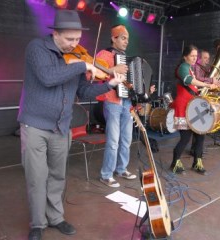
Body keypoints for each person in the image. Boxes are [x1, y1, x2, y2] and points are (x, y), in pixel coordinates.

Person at [17, 10, 125, 240]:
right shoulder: (37, 49)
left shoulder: (75, 58)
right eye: (69, 40)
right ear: (55, 34)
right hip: (34, 125)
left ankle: (55, 217)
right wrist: (81, 65)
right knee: (37, 178)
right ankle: (38, 223)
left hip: (61, 127)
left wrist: (110, 84)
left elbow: (83, 90)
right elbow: (48, 78)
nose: (74, 45)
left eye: (78, 40)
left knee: (58, 176)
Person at [96, 25, 137, 188]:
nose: (126, 41)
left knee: (126, 139)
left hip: (126, 102)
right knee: (113, 140)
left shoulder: (126, 57)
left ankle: (121, 169)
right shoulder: (104, 54)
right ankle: (106, 174)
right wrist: (114, 69)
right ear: (113, 38)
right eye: (123, 38)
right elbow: (94, 73)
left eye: (127, 38)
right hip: (112, 101)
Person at [170, 45, 218, 175]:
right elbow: (188, 80)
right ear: (185, 56)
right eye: (192, 56)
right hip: (184, 106)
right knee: (186, 137)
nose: (194, 58)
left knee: (200, 135)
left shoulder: (190, 68)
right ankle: (175, 161)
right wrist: (208, 84)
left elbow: (194, 85)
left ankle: (198, 161)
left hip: (192, 105)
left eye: (196, 56)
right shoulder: (183, 67)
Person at [190, 49, 219, 155]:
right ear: (199, 58)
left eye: (208, 58)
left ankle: (197, 149)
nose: (207, 60)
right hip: (195, 97)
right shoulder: (196, 66)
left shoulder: (204, 68)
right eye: (205, 58)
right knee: (197, 124)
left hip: (201, 97)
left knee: (200, 124)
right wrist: (211, 80)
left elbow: (204, 80)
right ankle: (195, 150)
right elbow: (197, 79)